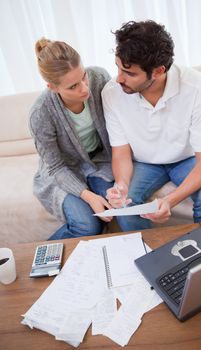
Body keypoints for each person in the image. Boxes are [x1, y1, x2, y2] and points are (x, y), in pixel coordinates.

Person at [103, 20, 201, 232]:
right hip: (143, 162)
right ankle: (151, 259)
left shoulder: (197, 87)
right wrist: (121, 185)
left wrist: (169, 201)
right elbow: (121, 152)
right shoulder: (112, 93)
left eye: (130, 73)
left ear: (158, 71)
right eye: (118, 68)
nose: (119, 79)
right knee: (126, 207)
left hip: (188, 160)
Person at [30, 38, 114, 240]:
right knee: (87, 225)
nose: (84, 88)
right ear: (52, 87)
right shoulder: (41, 113)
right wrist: (89, 196)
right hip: (64, 170)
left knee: (115, 210)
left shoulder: (99, 77)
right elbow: (56, 167)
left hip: (100, 162)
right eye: (73, 86)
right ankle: (38, 260)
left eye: (83, 77)